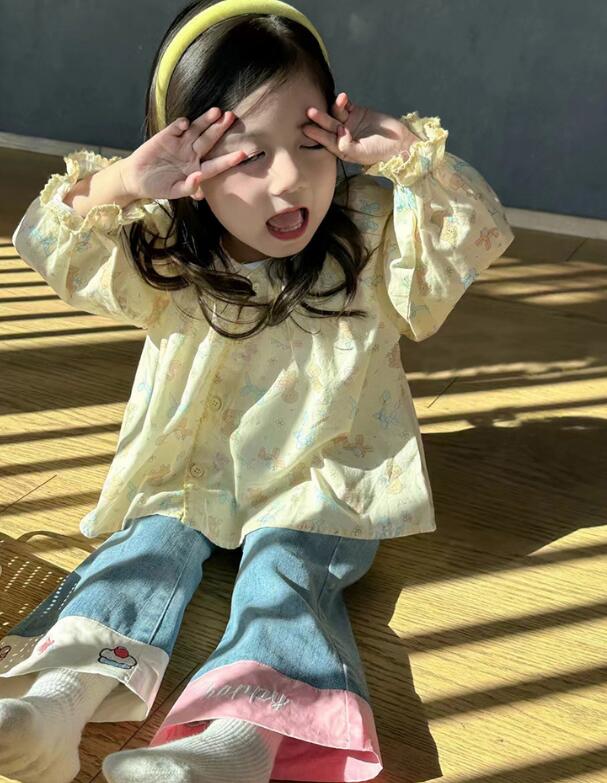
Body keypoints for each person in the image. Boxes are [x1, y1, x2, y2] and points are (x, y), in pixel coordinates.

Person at [0, 0, 515, 781]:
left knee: (284, 570)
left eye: (310, 144)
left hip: (323, 482)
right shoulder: (165, 247)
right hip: (189, 474)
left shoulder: (372, 233)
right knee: (144, 546)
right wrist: (122, 182)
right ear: (188, 165)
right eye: (246, 156)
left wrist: (413, 157)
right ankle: (56, 701)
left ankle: (237, 745)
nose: (288, 180)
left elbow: (471, 231)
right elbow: (52, 241)